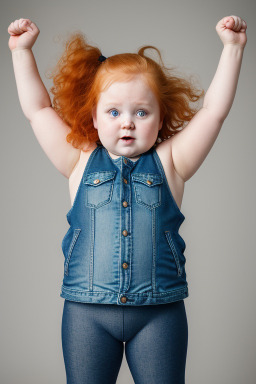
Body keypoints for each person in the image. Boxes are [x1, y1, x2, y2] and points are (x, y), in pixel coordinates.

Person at [8, 15, 247, 384]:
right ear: (95, 116)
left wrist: (233, 49)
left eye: (141, 112)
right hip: (86, 313)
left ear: (160, 116)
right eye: (114, 112)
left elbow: (213, 113)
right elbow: (38, 110)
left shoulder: (172, 162)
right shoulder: (79, 160)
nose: (127, 123)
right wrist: (21, 52)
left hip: (159, 312)